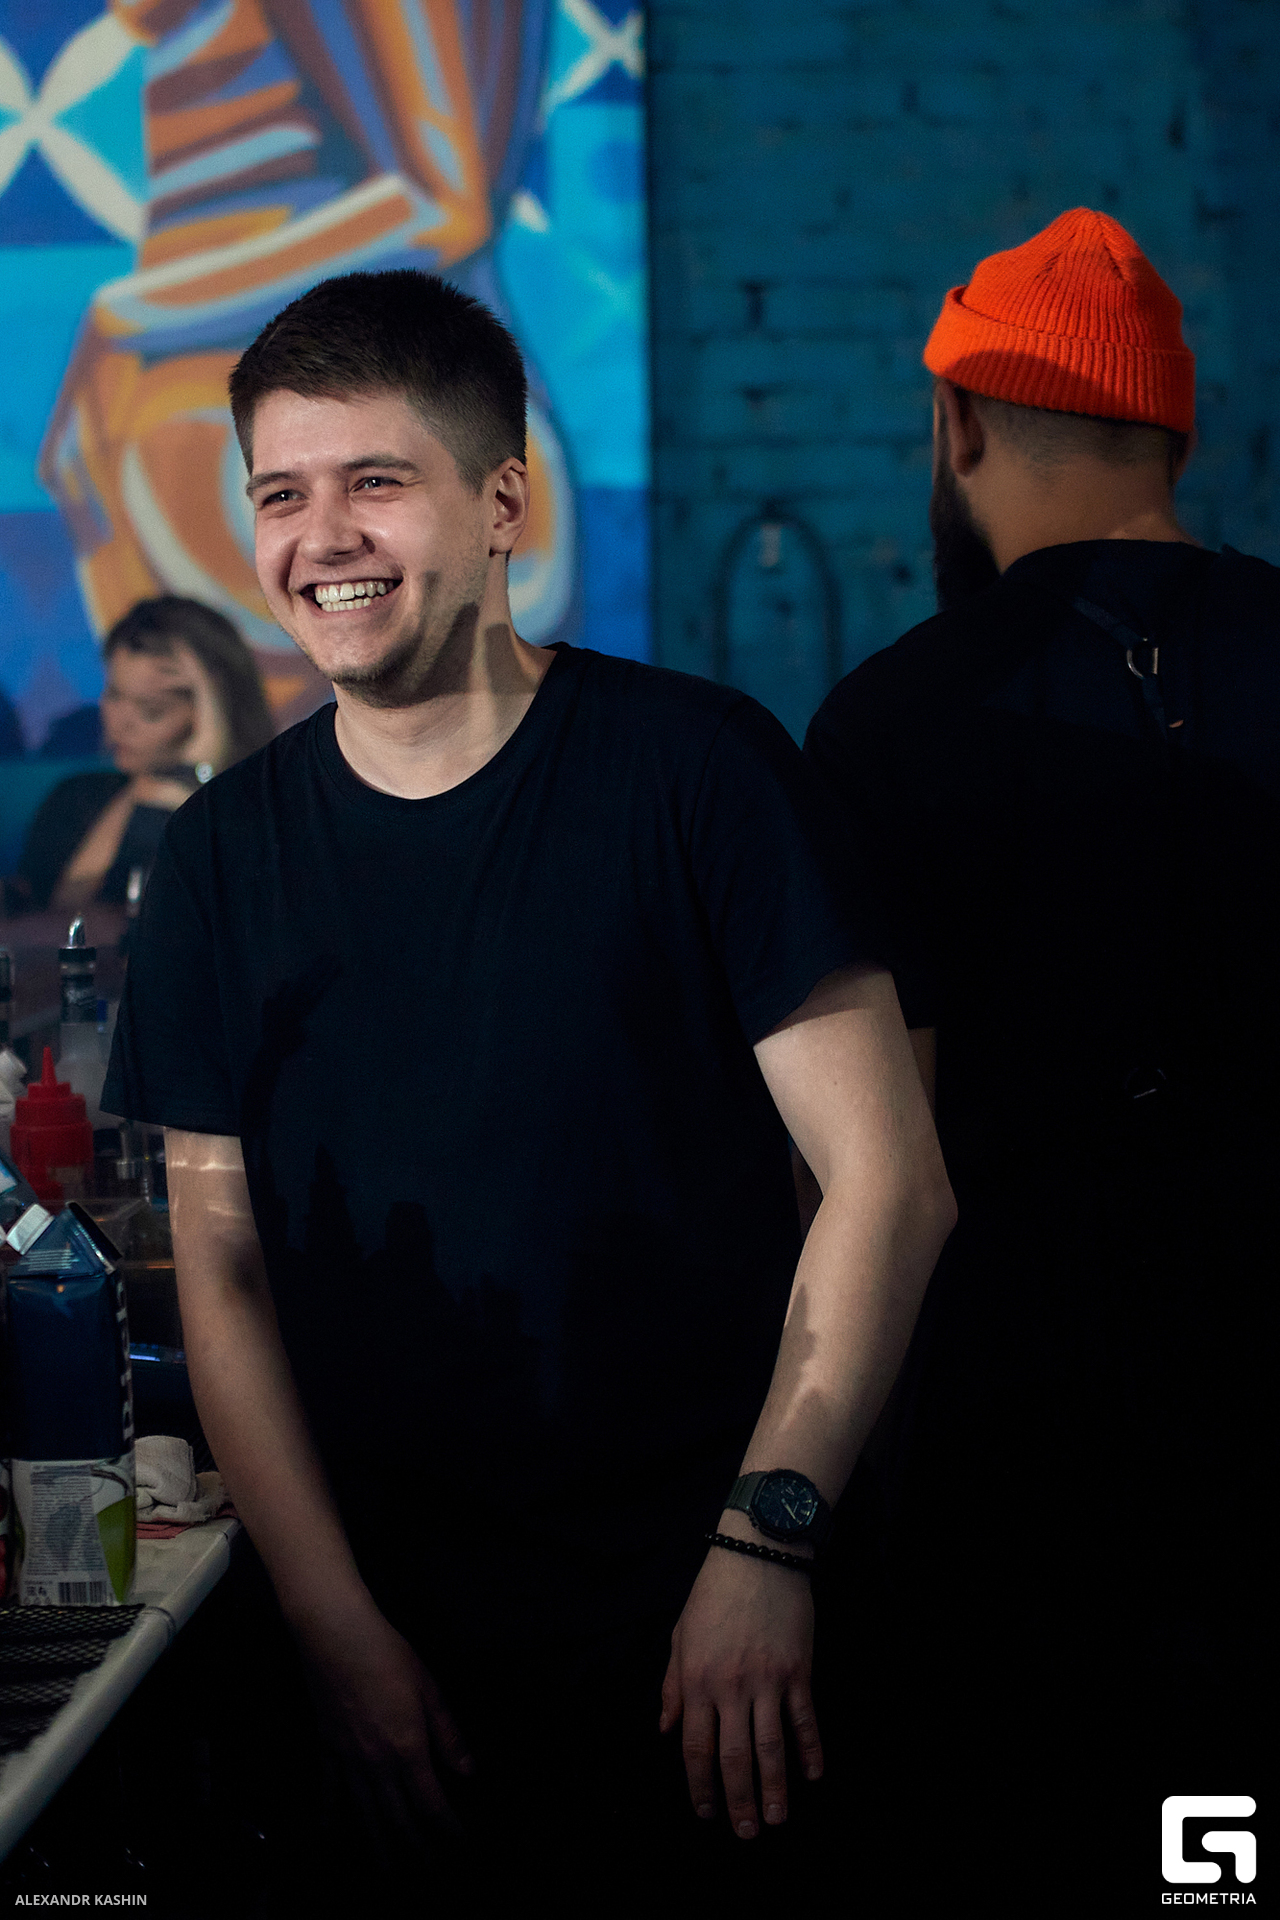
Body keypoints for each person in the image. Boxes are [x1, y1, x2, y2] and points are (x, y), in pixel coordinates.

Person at [102, 269, 955, 1907]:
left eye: (375, 482)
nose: (322, 538)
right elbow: (221, 1263)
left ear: (503, 505)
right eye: (281, 494)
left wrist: (766, 1544)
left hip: (708, 1622)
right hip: (392, 1649)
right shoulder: (216, 859)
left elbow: (891, 1183)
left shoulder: (699, 773)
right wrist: (332, 1627)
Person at [805, 209, 1277, 1901]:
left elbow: (886, 1163)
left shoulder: (893, 719)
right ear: (1174, 434)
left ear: (960, 423)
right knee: (1224, 1860)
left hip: (1017, 1437)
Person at [5, 597, 274, 914]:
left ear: (211, 713)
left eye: (151, 711)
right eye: (114, 695)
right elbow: (43, 916)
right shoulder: (77, 795)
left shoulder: (244, 818)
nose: (121, 723)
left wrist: (198, 773)